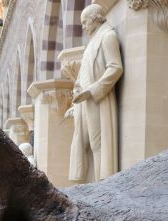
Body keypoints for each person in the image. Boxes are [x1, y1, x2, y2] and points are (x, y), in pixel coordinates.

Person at [66, 3, 123, 183]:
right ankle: (88, 183)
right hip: (85, 102)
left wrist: (92, 90)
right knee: (82, 144)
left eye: (85, 22)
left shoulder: (108, 36)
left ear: (95, 19)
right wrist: (77, 94)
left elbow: (115, 67)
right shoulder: (92, 43)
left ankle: (100, 186)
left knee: (98, 145)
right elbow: (81, 76)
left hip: (97, 99)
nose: (83, 27)